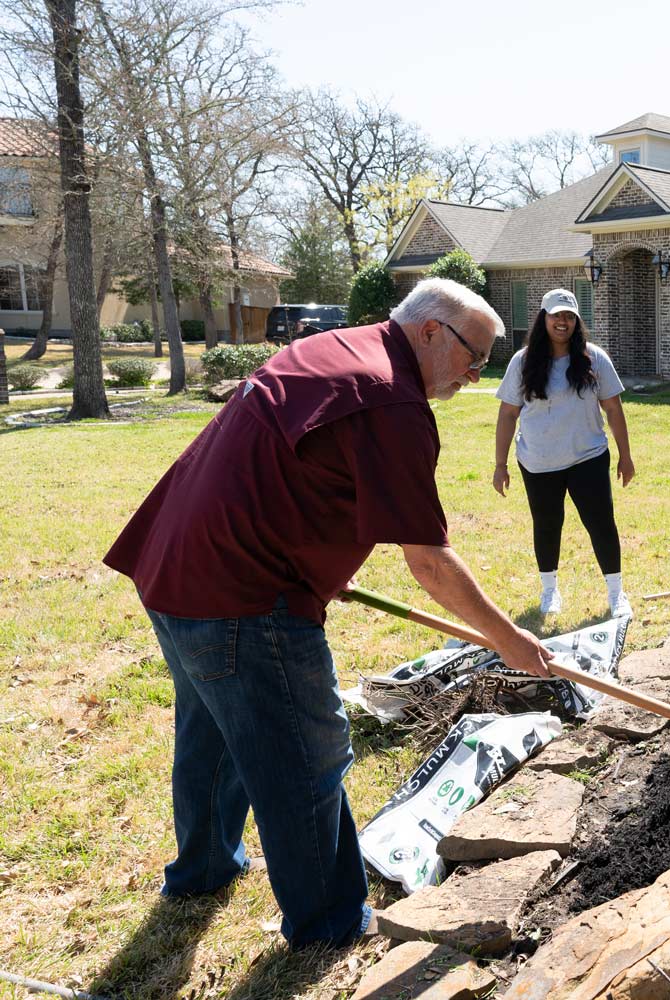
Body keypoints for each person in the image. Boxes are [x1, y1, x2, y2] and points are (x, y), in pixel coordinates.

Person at [103, 278, 554, 950]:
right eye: (473, 356)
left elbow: (287, 465)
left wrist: (311, 554)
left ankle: (202, 870)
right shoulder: (392, 399)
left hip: (172, 566)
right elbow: (428, 560)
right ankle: (329, 922)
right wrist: (508, 639)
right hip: (243, 596)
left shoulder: (333, 350)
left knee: (216, 732)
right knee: (305, 756)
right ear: (430, 331)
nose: (474, 373)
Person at [493, 288, 634, 618]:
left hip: (588, 457)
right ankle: (550, 591)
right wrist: (500, 464)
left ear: (577, 322)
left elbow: (613, 409)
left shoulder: (594, 359)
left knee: (601, 524)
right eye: (556, 315)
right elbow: (507, 414)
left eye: (569, 316)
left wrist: (625, 456)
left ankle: (616, 594)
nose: (563, 322)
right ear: (543, 318)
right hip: (539, 461)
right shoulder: (523, 362)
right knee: (546, 524)